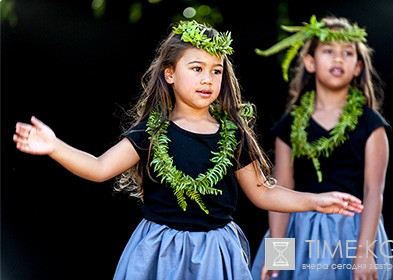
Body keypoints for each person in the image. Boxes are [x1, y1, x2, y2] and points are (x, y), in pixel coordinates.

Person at [13, 20, 364, 280]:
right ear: (169, 74)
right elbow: (100, 167)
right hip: (159, 249)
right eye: (196, 69)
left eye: (216, 71)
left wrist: (315, 200)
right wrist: (55, 146)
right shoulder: (151, 132)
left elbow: (263, 192)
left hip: (216, 251)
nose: (208, 80)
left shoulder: (234, 134)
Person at [250, 15, 393, 280]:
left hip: (351, 234)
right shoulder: (290, 125)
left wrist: (363, 250)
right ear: (310, 62)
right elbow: (281, 189)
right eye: (329, 51)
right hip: (300, 231)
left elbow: (374, 191)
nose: (338, 59)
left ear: (358, 67)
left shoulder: (371, 125)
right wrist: (278, 253)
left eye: (347, 53)